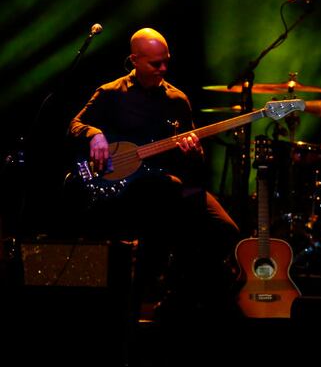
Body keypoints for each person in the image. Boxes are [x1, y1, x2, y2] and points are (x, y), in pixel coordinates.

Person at [68, 28, 240, 320]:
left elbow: (191, 163)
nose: (163, 69)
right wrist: (94, 134)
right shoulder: (111, 93)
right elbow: (75, 124)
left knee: (225, 229)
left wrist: (194, 152)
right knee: (155, 222)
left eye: (166, 62)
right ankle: (131, 310)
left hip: (165, 186)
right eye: (155, 63)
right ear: (134, 59)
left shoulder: (176, 100)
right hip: (125, 191)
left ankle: (177, 294)